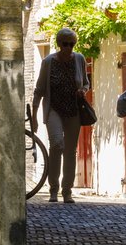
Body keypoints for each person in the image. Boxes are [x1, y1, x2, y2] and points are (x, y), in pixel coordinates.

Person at [32, 28, 89, 204]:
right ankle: (53, 189)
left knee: (70, 151)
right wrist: (34, 116)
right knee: (57, 144)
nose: (69, 47)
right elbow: (39, 90)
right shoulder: (49, 62)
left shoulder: (79, 59)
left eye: (72, 44)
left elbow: (86, 83)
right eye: (65, 44)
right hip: (54, 110)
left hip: (74, 110)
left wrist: (83, 90)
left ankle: (67, 191)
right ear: (59, 44)